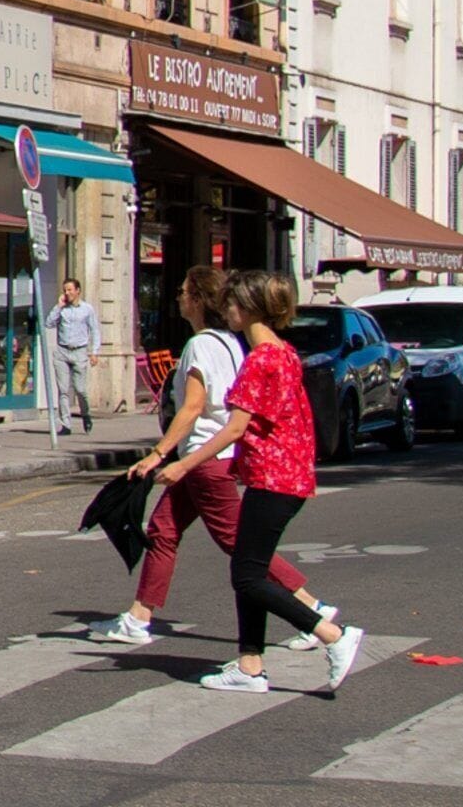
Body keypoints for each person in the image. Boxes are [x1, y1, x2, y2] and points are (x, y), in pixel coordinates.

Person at [94, 265, 330, 648]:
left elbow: (194, 408)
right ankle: (140, 616)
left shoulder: (205, 346)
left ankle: (313, 612)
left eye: (184, 291)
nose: (178, 297)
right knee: (163, 531)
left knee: (242, 552)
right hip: (215, 457)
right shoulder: (235, 344)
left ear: (199, 299)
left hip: (208, 457)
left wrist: (162, 456)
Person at [150, 270, 364, 694]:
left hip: (273, 478)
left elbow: (233, 429)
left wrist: (182, 464)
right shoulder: (283, 353)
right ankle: (250, 665)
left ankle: (330, 635)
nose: (225, 310)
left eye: (231, 304)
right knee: (247, 569)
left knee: (248, 576)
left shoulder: (261, 359)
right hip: (286, 475)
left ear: (247, 309)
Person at [52, 279, 102, 429]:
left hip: (79, 351)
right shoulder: (62, 309)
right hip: (62, 351)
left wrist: (94, 352)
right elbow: (48, 323)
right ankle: (65, 424)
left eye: (70, 290)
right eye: (65, 290)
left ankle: (85, 414)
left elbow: (94, 330)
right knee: (63, 390)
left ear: (78, 291)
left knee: (80, 390)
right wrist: (58, 307)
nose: (67, 293)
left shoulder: (87, 309)